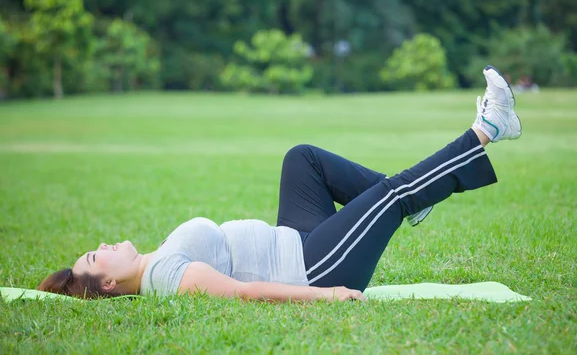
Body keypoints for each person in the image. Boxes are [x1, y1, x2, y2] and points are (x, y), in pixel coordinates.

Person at [38, 66, 522, 303]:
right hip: (313, 268)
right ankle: (491, 128)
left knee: (302, 159)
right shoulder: (164, 277)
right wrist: (326, 296)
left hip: (299, 239)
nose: (102, 245)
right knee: (391, 193)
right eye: (96, 255)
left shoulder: (155, 259)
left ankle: (416, 202)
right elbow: (242, 293)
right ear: (107, 281)